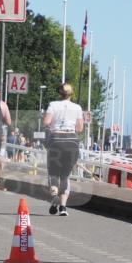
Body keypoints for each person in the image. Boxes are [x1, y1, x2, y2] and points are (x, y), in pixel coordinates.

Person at [43, 83, 85, 216]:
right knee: (65, 176)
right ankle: (63, 207)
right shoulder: (77, 107)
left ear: (60, 93)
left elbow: (46, 122)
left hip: (56, 140)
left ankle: (55, 195)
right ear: (71, 94)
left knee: (54, 173)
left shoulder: (53, 105)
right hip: (71, 141)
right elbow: (79, 128)